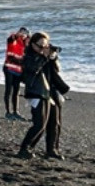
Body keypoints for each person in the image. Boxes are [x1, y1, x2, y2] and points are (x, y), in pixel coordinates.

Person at [18, 31, 70, 160]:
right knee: (40, 124)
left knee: (55, 123)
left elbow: (56, 70)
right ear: (33, 45)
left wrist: (53, 57)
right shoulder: (29, 56)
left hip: (50, 91)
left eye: (45, 46)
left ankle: (52, 149)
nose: (43, 49)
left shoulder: (45, 56)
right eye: (40, 46)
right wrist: (44, 57)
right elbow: (32, 70)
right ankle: (25, 148)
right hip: (37, 92)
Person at [3, 26, 29, 119]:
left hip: (18, 70)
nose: (23, 35)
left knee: (16, 91)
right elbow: (10, 39)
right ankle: (8, 112)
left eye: (25, 33)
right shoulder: (14, 39)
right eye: (22, 33)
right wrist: (17, 35)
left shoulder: (25, 44)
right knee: (8, 90)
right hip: (9, 68)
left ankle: (16, 112)